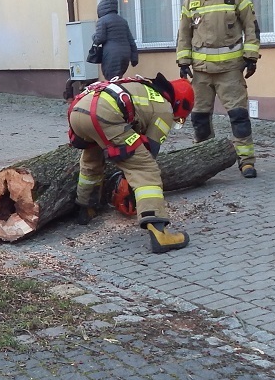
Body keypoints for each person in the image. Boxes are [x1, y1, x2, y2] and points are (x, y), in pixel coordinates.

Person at [68, 72, 195, 253]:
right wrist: (130, 177)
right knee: (145, 169)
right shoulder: (164, 108)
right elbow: (149, 151)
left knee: (91, 160)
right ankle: (159, 232)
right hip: (105, 113)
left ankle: (85, 209)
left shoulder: (144, 87)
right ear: (180, 105)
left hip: (79, 111)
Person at [175, 0, 261, 178]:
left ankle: (246, 161)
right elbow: (184, 33)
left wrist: (251, 57)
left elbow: (251, 27)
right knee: (200, 119)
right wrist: (183, 62)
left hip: (230, 70)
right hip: (201, 72)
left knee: (239, 116)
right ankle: (204, 161)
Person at [90, 0, 139, 82]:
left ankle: (115, 95)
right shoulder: (123, 21)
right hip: (125, 54)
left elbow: (100, 39)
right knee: (118, 78)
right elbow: (131, 40)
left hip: (111, 54)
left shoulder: (102, 21)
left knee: (111, 80)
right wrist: (134, 58)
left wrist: (93, 36)